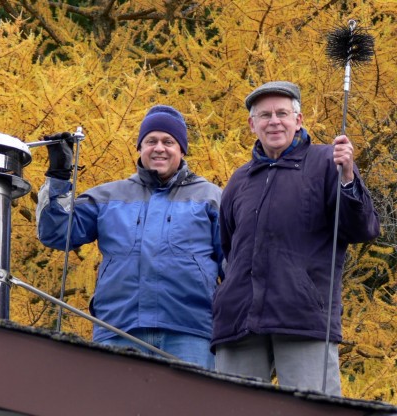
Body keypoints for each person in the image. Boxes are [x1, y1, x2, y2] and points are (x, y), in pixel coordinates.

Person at [211, 81, 380, 394]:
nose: (274, 121)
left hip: (303, 317)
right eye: (264, 115)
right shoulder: (238, 181)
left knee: (314, 412)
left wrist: (347, 178)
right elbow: (229, 247)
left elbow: (362, 229)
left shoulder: (328, 163)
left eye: (282, 113)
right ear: (252, 125)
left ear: (298, 120)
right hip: (238, 322)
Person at [36, 105, 223, 369]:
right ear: (140, 148)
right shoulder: (107, 196)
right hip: (118, 329)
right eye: (151, 141)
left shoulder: (212, 198)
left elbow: (234, 264)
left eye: (168, 141)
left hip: (191, 330)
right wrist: (58, 177)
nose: (159, 148)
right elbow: (55, 233)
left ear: (182, 149)